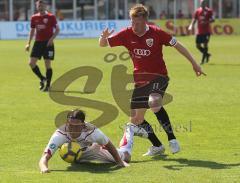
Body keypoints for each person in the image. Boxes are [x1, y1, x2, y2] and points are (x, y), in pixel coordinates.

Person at [99, 4, 206, 156]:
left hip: (159, 76)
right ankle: (157, 146)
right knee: (136, 119)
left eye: (137, 23)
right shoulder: (126, 34)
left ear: (145, 21)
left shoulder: (157, 33)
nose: (133, 25)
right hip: (140, 81)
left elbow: (178, 45)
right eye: (131, 21)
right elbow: (103, 44)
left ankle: (172, 139)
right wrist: (103, 38)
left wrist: (195, 64)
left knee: (154, 102)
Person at [39, 109, 130, 173]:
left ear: (83, 125)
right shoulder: (60, 134)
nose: (73, 128)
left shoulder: (92, 131)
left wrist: (120, 162)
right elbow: (45, 157)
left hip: (93, 150)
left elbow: (108, 144)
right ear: (67, 123)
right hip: (79, 157)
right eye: (70, 125)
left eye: (76, 126)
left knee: (126, 157)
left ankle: (129, 133)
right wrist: (44, 168)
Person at [25, 0, 60, 92]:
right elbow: (32, 31)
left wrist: (51, 39)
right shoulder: (34, 17)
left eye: (42, 5)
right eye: (38, 6)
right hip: (38, 43)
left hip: (48, 43)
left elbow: (57, 30)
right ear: (37, 7)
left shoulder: (51, 16)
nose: (40, 7)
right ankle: (42, 78)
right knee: (31, 63)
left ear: (45, 6)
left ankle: (48, 86)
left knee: (47, 64)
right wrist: (28, 43)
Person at [188, 0, 214, 65]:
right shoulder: (197, 11)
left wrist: (206, 22)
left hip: (207, 31)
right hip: (199, 31)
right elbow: (194, 19)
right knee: (197, 45)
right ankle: (207, 55)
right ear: (200, 3)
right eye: (201, 3)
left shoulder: (209, 11)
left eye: (204, 2)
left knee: (205, 45)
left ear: (205, 3)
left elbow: (213, 19)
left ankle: (203, 60)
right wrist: (191, 25)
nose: (202, 4)